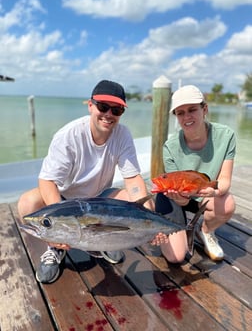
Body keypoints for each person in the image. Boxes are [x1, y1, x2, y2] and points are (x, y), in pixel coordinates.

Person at [18, 79, 154, 284]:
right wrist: (59, 223)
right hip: (66, 198)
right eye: (103, 106)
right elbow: (47, 180)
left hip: (100, 197)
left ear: (121, 113)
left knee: (130, 199)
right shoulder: (68, 136)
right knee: (28, 203)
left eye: (116, 110)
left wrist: (148, 214)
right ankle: (55, 247)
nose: (109, 114)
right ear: (90, 105)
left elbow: (133, 179)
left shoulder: (123, 134)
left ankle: (107, 243)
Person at [153, 85, 236, 263]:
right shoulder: (170, 146)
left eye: (192, 110)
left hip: (203, 194)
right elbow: (179, 195)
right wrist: (180, 198)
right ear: (176, 117)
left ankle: (204, 230)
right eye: (180, 113)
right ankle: (174, 220)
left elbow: (224, 180)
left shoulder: (226, 135)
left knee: (227, 204)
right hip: (177, 198)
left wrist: (214, 191)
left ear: (204, 109)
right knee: (175, 257)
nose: (186, 117)